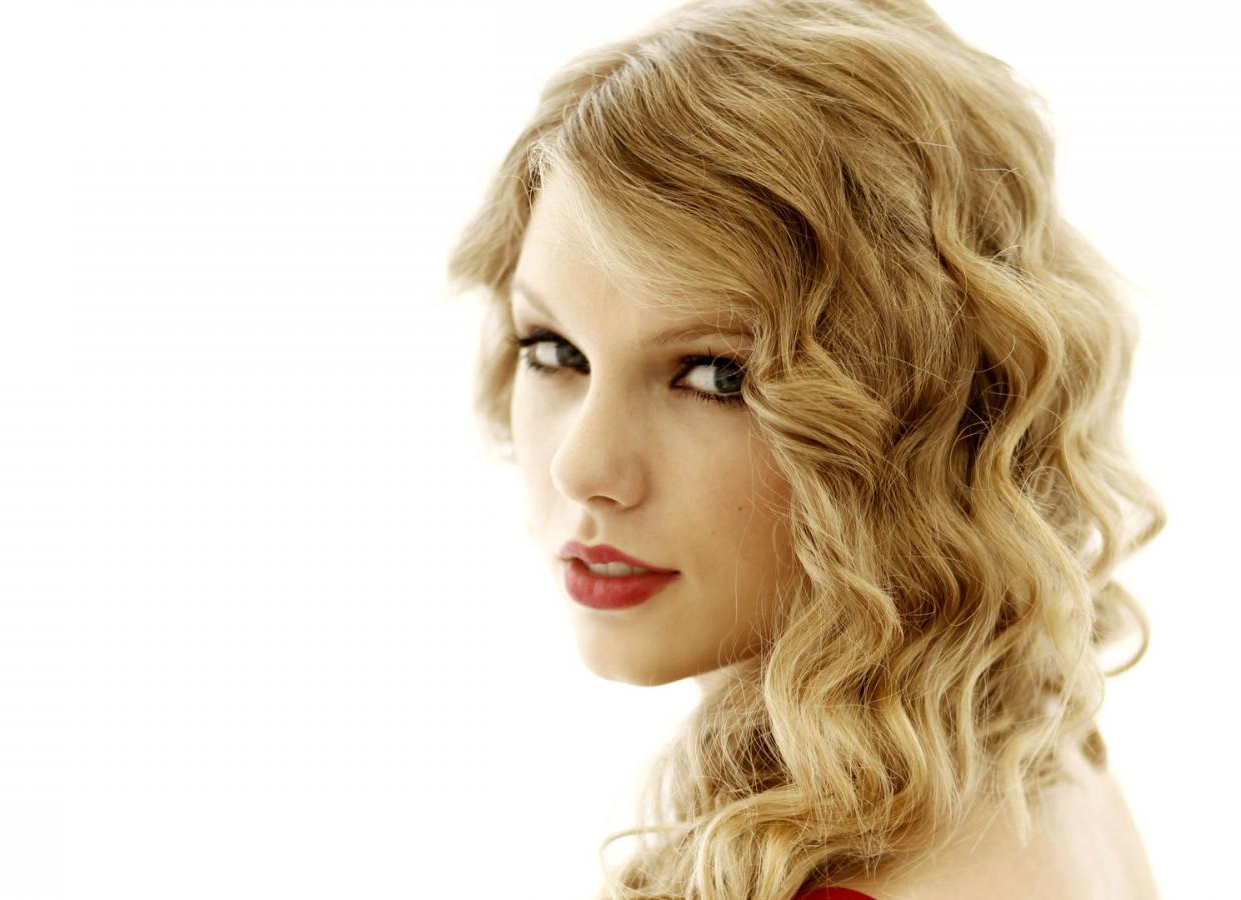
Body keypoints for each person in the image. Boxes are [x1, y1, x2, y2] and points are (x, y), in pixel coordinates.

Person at [443, 1, 1166, 898]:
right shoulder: (1030, 752)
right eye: (555, 353)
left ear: (920, 411)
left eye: (716, 376)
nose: (582, 470)